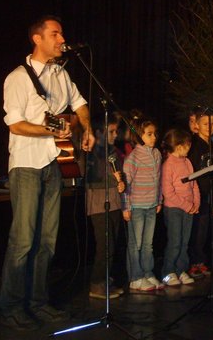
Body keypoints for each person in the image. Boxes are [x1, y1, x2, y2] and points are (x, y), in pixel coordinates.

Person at [0, 15, 95, 331]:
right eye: (55, 33)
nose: (61, 38)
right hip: (27, 164)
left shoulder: (60, 75)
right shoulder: (18, 78)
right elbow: (15, 124)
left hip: (53, 163)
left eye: (62, 33)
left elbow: (80, 104)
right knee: (24, 239)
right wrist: (49, 130)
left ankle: (38, 302)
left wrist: (86, 128)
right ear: (37, 38)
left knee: (47, 241)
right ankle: (12, 305)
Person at [85, 115, 125, 300]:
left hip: (114, 200)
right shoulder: (92, 151)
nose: (115, 135)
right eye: (111, 131)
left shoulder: (113, 151)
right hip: (99, 202)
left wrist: (121, 180)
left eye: (116, 131)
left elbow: (118, 172)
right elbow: (94, 177)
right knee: (105, 245)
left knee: (113, 243)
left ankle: (105, 279)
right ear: (99, 132)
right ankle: (96, 283)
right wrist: (113, 177)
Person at [122, 117, 163, 291]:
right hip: (137, 206)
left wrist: (159, 200)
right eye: (149, 134)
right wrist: (126, 207)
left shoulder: (157, 154)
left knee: (148, 243)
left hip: (151, 205)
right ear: (139, 136)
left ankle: (147, 273)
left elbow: (159, 180)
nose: (153, 137)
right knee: (135, 244)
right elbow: (126, 184)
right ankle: (135, 277)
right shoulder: (133, 157)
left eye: (155, 134)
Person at [160, 129, 200, 286]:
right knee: (175, 241)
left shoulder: (187, 162)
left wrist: (196, 203)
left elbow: (194, 184)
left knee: (184, 241)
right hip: (174, 209)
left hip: (189, 209)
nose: (189, 147)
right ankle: (168, 272)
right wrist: (186, 205)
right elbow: (168, 192)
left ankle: (180, 269)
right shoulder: (168, 165)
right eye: (187, 144)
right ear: (178, 146)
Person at [187, 110, 213, 278]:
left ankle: (202, 261)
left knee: (205, 230)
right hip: (197, 194)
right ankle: (194, 262)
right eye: (206, 124)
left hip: (210, 194)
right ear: (197, 125)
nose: (210, 127)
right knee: (196, 230)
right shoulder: (193, 145)